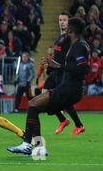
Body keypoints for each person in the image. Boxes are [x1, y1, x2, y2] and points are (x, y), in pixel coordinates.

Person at [7, 18, 90, 156]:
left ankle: (29, 145)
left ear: (71, 30)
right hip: (69, 88)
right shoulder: (78, 45)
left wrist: (60, 66)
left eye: (68, 26)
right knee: (34, 107)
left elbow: (83, 68)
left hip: (70, 89)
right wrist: (57, 66)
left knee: (33, 103)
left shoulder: (79, 46)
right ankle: (38, 147)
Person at [41, 12, 85, 135]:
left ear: (69, 22)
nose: (62, 22)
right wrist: (50, 65)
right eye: (60, 20)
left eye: (64, 20)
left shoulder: (70, 38)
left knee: (61, 100)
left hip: (63, 72)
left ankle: (76, 124)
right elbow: (58, 54)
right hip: (55, 71)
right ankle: (64, 120)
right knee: (45, 94)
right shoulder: (58, 37)